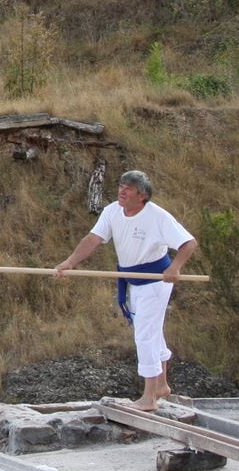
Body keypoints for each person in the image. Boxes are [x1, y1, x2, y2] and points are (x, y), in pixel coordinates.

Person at [54, 170, 198, 411]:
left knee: (144, 334)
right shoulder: (112, 211)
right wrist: (70, 262)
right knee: (152, 330)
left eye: (128, 188)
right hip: (133, 280)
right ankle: (161, 386)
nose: (122, 191)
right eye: (121, 185)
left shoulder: (157, 216)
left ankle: (149, 397)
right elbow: (93, 238)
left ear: (141, 195)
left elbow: (189, 243)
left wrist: (175, 267)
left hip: (155, 281)